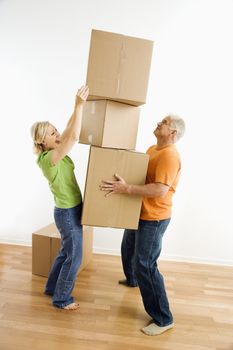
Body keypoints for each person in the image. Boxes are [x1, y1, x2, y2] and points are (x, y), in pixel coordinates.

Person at [100, 114, 185, 335]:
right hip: (139, 211)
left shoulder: (169, 156)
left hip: (154, 217)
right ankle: (133, 280)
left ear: (173, 133)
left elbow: (159, 190)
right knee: (127, 249)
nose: (159, 123)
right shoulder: (152, 149)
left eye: (164, 123)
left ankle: (164, 318)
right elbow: (141, 176)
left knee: (145, 264)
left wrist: (126, 189)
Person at [31, 85, 89, 310]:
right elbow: (73, 136)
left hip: (72, 210)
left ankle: (52, 288)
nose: (57, 135)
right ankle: (61, 299)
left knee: (66, 251)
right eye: (52, 133)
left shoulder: (56, 150)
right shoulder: (48, 158)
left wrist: (77, 108)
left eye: (56, 131)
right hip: (66, 213)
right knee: (74, 257)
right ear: (42, 142)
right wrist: (79, 105)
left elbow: (68, 129)